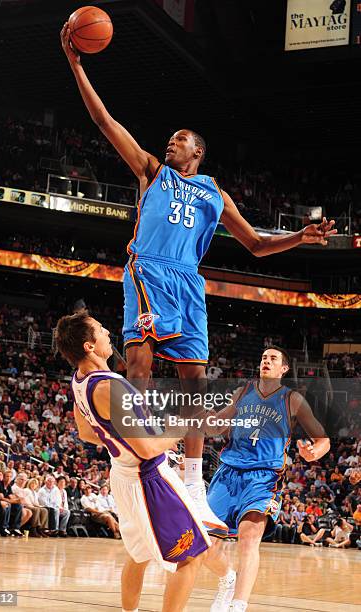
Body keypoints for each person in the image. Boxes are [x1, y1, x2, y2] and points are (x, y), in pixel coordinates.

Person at [60, 23, 337, 527]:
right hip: (148, 271)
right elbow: (105, 122)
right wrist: (78, 65)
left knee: (194, 382)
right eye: (169, 139)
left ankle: (190, 483)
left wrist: (299, 237)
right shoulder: (151, 172)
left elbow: (254, 244)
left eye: (179, 141)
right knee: (140, 368)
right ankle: (140, 459)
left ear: (198, 153)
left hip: (188, 281)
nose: (169, 143)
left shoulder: (214, 193)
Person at [55, 310, 212, 612]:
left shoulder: (79, 380)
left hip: (124, 475)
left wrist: (121, 437)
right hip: (147, 479)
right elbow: (149, 449)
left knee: (138, 554)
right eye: (100, 331)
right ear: (89, 346)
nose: (108, 334)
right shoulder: (107, 387)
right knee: (191, 557)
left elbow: (88, 432)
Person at [207, 346, 330, 612]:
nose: (266, 360)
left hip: (264, 476)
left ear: (284, 369)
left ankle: (237, 605)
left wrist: (313, 452)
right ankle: (227, 578)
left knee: (249, 538)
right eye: (263, 357)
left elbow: (323, 439)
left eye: (273, 358)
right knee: (206, 543)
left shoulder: (292, 399)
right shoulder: (242, 392)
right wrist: (205, 421)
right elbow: (217, 425)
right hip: (228, 472)